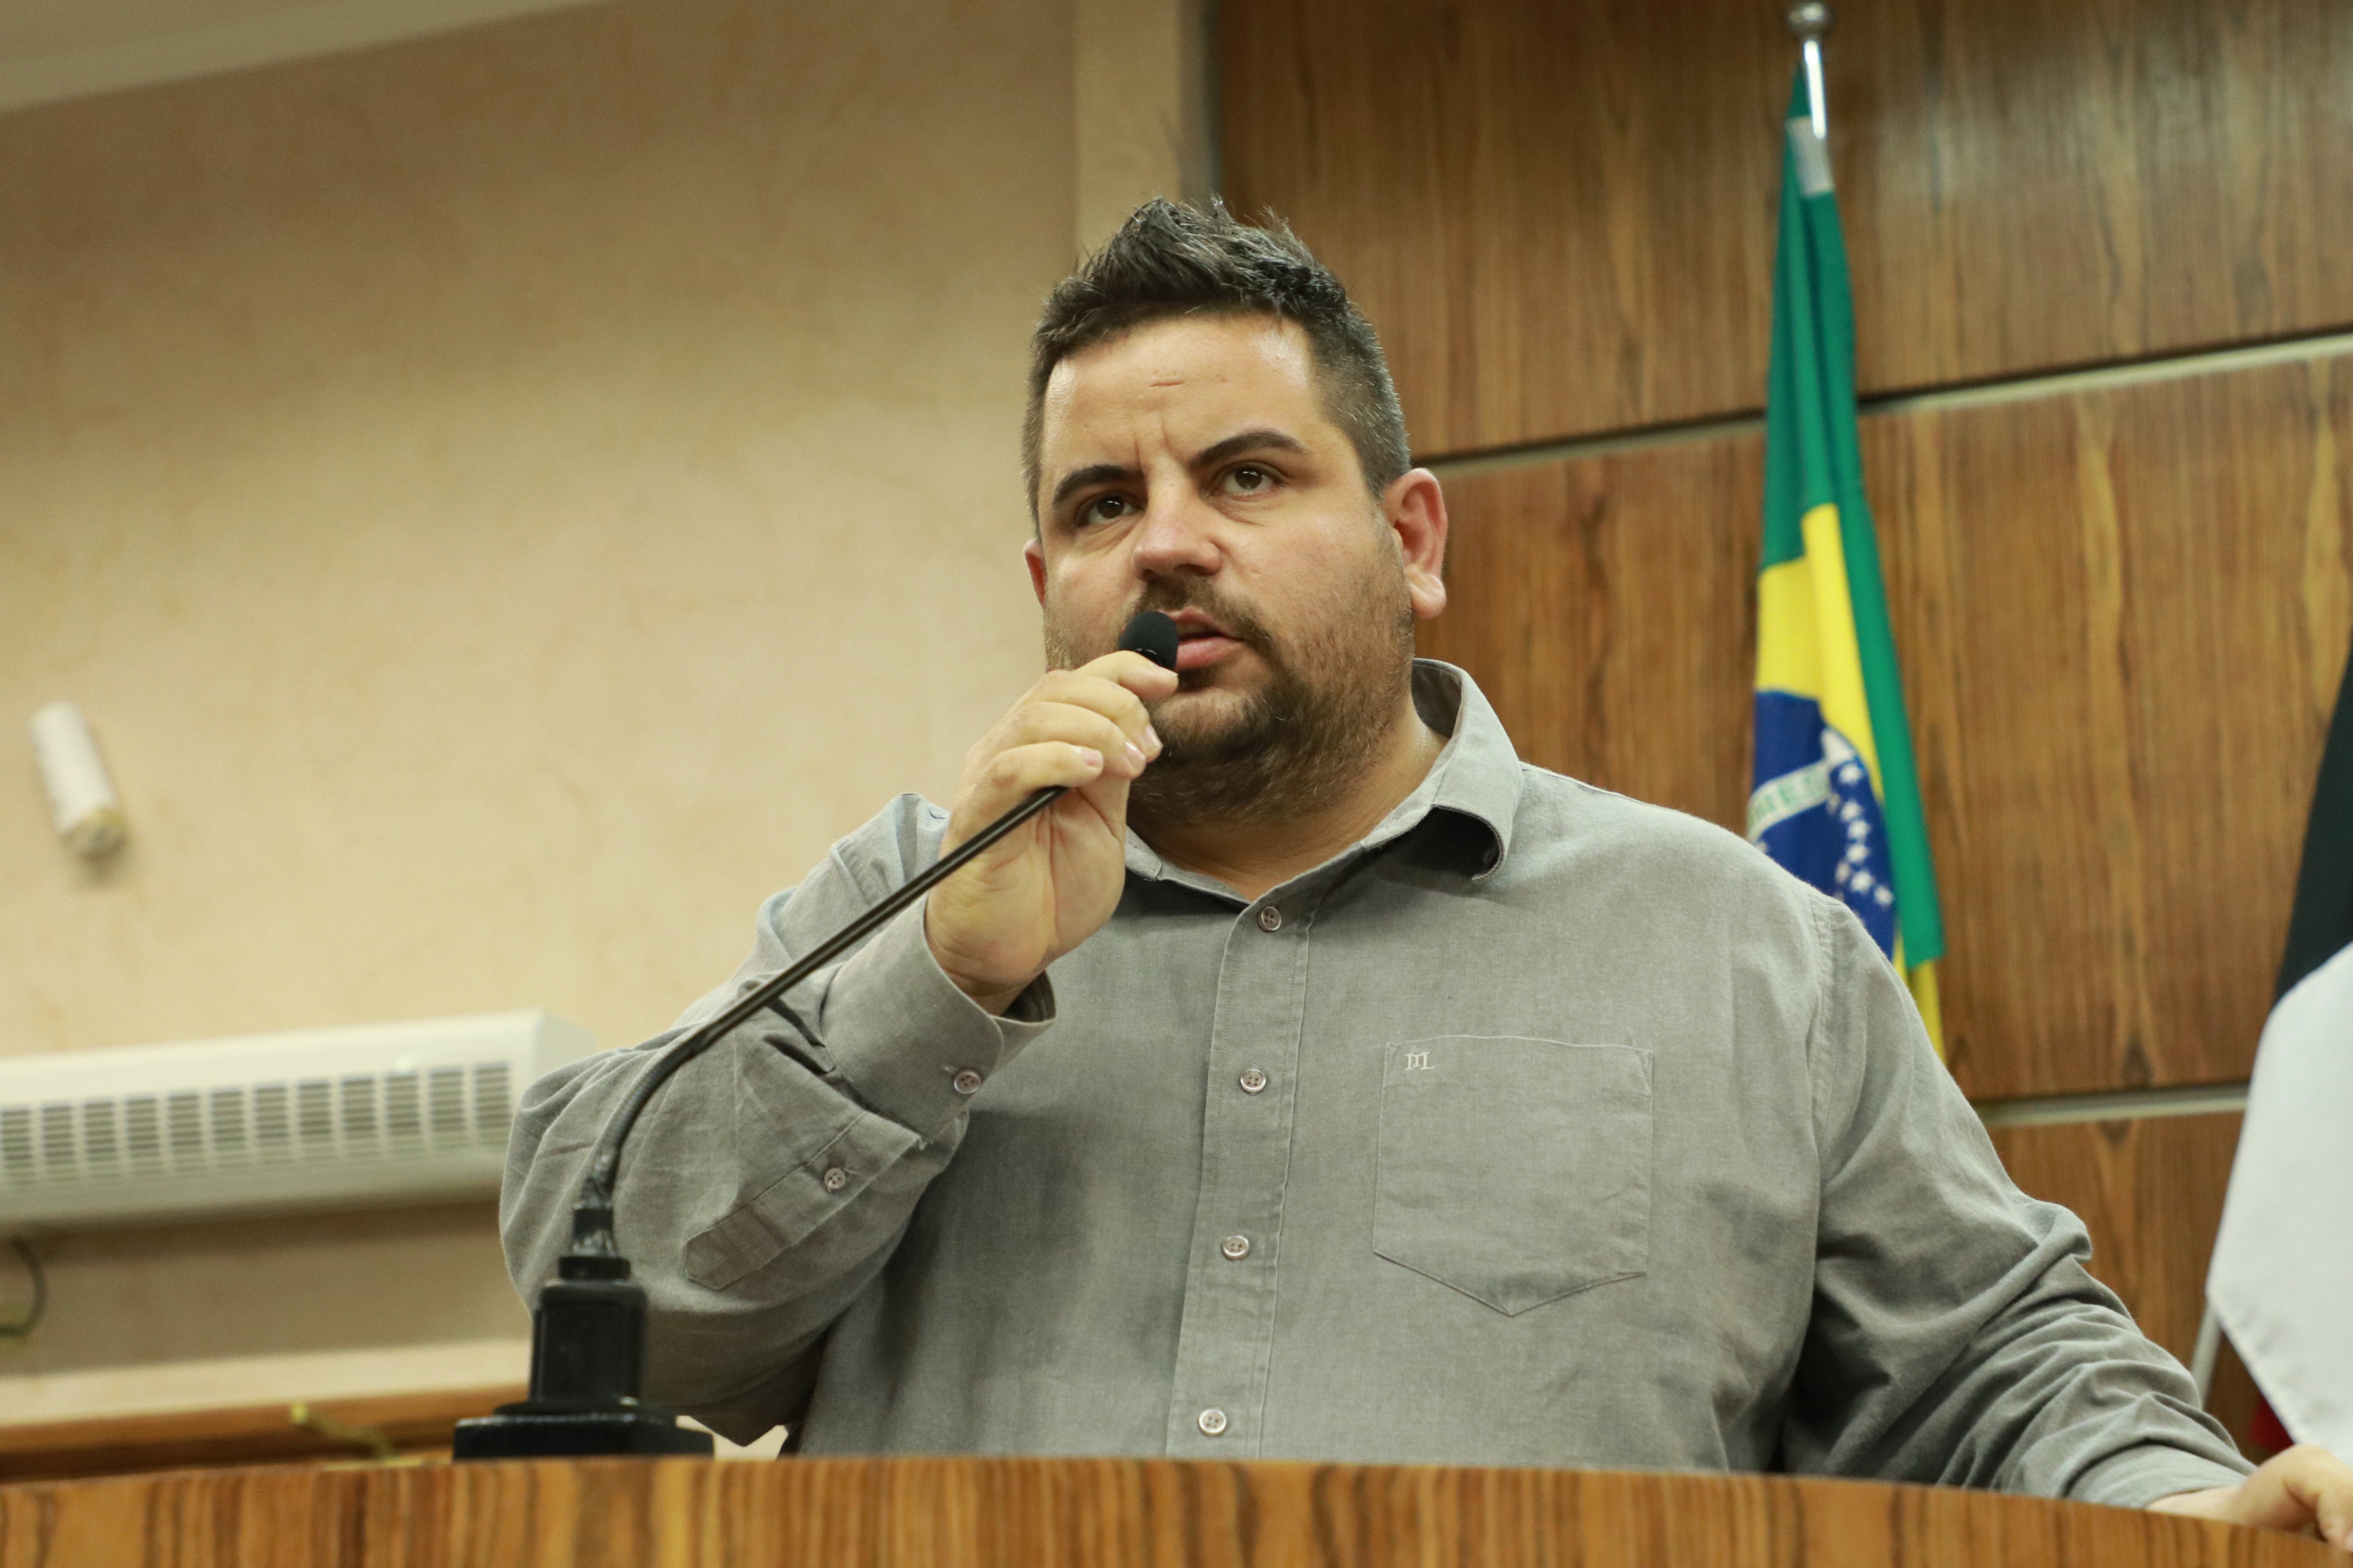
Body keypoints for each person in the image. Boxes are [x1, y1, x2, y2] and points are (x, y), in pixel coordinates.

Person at [504, 200, 2353, 1544]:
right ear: (1045, 586)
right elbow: (634, 1320)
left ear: (1411, 538)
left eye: (1246, 478)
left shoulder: (1740, 950)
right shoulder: (900, 912)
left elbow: (1995, 1371)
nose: (1168, 547)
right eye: (1102, 506)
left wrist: (2187, 1505)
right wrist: (942, 990)